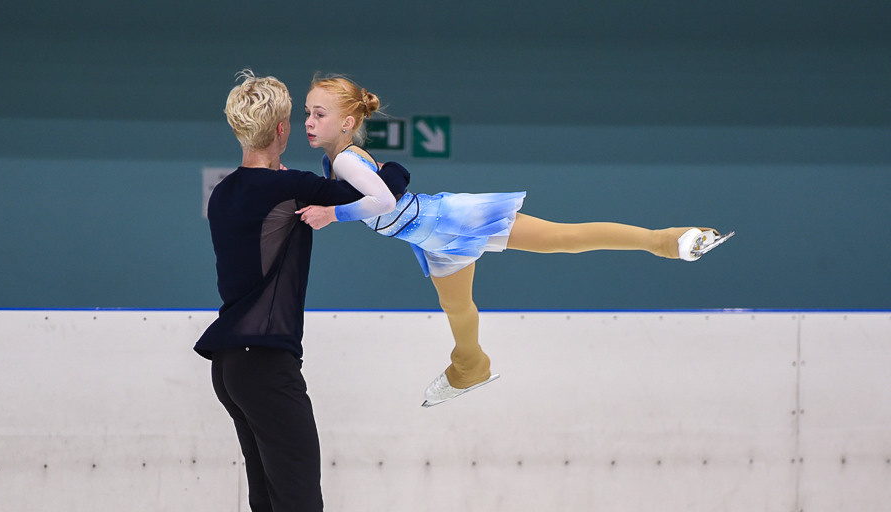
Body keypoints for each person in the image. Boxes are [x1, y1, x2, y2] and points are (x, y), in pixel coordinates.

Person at [298, 75, 734, 407]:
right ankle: (470, 365)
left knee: (561, 238)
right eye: (307, 112)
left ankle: (666, 240)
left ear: (349, 122)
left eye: (320, 113)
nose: (309, 121)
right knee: (457, 306)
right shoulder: (336, 159)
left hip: (448, 220)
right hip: (433, 237)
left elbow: (381, 198)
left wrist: (332, 214)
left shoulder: (348, 160)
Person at [194, 70, 407, 512]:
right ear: (283, 129)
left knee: (270, 509)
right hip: (267, 366)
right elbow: (391, 185)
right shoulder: (290, 187)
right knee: (300, 505)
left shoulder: (226, 192)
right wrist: (351, 155)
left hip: (230, 367)